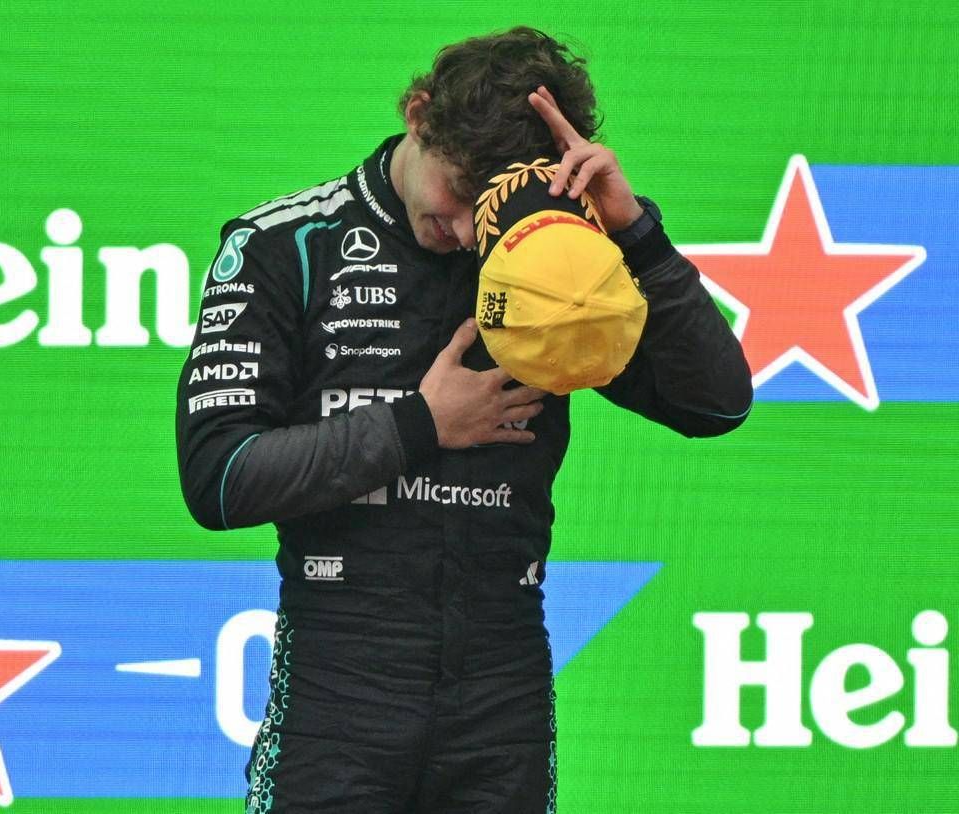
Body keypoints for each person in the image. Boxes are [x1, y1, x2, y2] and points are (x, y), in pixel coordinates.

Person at [176, 26, 752, 814]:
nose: (460, 233)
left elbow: (716, 404)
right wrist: (419, 424)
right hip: (337, 688)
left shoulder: (548, 262)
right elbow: (218, 477)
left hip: (501, 694)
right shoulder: (288, 246)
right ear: (418, 115)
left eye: (483, 213)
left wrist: (636, 238)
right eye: (454, 193)